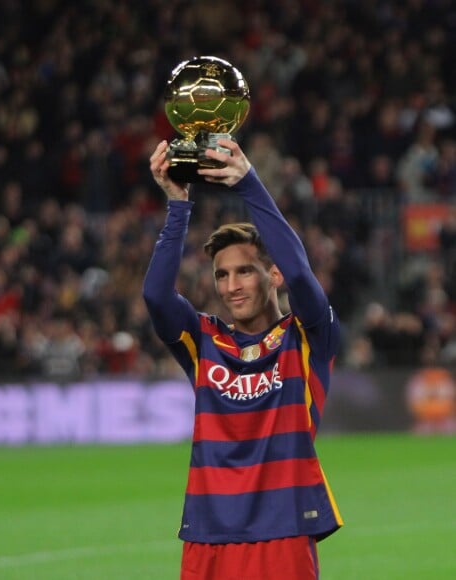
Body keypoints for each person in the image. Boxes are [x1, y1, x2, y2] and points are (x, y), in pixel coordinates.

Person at [143, 138, 343, 580]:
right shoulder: (204, 339)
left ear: (273, 276)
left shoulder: (307, 337)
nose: (231, 285)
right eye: (222, 274)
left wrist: (249, 184)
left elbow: (301, 276)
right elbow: (156, 296)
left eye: (245, 271)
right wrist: (178, 205)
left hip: (285, 528)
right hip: (208, 533)